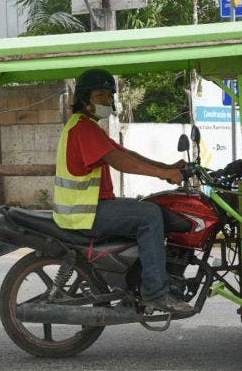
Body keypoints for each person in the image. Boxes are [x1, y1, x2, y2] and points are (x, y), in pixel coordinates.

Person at [52, 69, 193, 314]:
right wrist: (163, 174)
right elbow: (119, 161)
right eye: (100, 95)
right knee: (149, 215)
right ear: (85, 99)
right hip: (85, 214)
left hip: (92, 208)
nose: (107, 100)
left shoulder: (88, 127)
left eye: (109, 95)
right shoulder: (83, 128)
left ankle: (144, 277)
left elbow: (127, 154)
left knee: (150, 207)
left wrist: (169, 166)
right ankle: (156, 293)